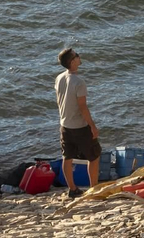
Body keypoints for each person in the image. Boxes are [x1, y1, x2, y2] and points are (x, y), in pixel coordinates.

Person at [54, 48, 100, 199]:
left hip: (65, 124)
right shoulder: (79, 82)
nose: (79, 57)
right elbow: (82, 106)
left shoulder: (59, 78)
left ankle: (72, 189)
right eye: (76, 56)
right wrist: (92, 125)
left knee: (67, 157)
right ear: (72, 61)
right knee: (94, 155)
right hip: (79, 126)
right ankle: (94, 188)